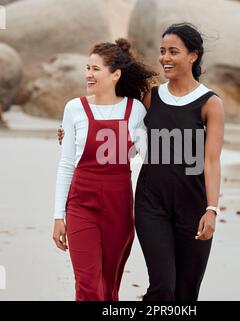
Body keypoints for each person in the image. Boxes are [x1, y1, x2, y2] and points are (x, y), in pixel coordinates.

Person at [52, 38, 156, 301]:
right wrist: (58, 216)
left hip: (118, 209)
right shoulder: (74, 108)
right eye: (87, 68)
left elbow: (148, 155)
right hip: (80, 205)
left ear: (115, 74)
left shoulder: (135, 111)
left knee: (108, 290)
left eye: (96, 69)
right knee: (88, 289)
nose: (88, 74)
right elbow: (66, 164)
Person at [134, 23, 224, 301]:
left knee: (186, 294)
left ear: (193, 55)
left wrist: (211, 210)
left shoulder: (210, 103)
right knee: (162, 289)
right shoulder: (151, 97)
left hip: (193, 207)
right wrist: (74, 135)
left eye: (173, 51)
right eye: (162, 52)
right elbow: (119, 130)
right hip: (151, 204)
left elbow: (211, 161)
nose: (165, 58)